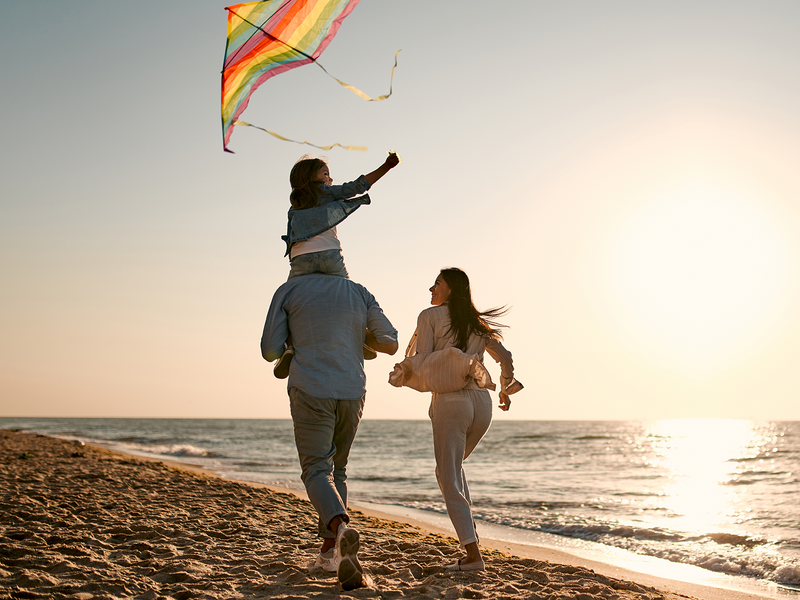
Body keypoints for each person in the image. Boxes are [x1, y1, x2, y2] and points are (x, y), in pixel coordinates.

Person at [261, 273, 398, 590]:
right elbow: (389, 342)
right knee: (338, 469)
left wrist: (295, 342)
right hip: (352, 390)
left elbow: (270, 349)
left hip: (312, 387)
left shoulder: (290, 289)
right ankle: (329, 555)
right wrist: (352, 336)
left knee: (316, 469)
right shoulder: (360, 292)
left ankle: (339, 530)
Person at [390, 268, 523, 571]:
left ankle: (473, 555)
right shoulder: (476, 323)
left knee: (447, 476)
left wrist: (406, 371)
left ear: (450, 288)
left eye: (436, 284)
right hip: (482, 405)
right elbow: (505, 356)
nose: (431, 289)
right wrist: (505, 387)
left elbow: (425, 359)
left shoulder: (430, 316)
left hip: (452, 402)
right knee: (453, 471)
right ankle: (472, 542)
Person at [272, 152, 401, 378]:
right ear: (313, 178)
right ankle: (358, 338)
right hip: (330, 256)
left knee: (291, 303)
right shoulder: (326, 192)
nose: (330, 179)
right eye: (326, 174)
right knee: (348, 295)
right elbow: (358, 186)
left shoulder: (295, 204)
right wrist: (386, 167)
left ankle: (290, 346)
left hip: (301, 260)